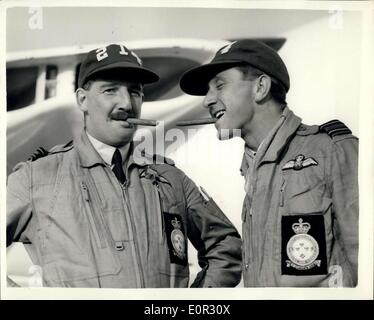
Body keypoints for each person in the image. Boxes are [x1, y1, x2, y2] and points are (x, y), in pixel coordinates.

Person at [7, 43, 242, 288]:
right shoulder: (35, 177)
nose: (126, 104)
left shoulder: (171, 179)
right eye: (110, 91)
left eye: (135, 92)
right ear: (82, 99)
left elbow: (226, 246)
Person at [179, 39, 358, 287]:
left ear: (260, 87)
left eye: (219, 85)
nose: (207, 100)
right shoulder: (251, 168)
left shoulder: (332, 150)